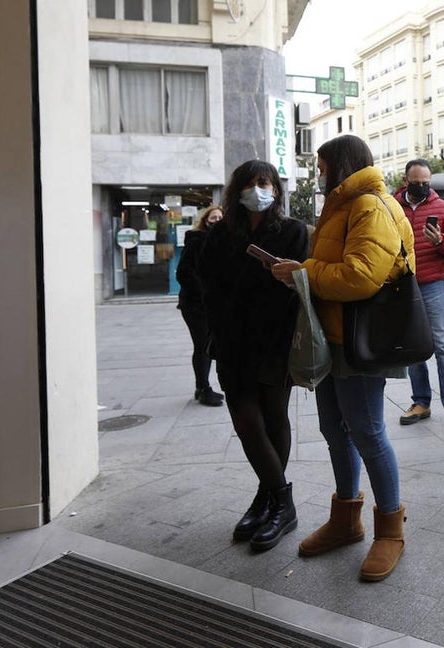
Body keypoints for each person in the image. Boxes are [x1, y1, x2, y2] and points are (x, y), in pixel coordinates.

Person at [270, 135, 410, 582]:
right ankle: (346, 520)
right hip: (332, 336)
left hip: (361, 340)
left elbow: (361, 276)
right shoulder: (342, 205)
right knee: (335, 429)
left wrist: (302, 273)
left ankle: (390, 530)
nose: (319, 172)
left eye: (323, 165)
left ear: (339, 165)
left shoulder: (370, 205)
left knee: (367, 432)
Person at [199, 160, 308, 552]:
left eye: (264, 183)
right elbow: (207, 286)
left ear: (276, 189)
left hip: (276, 342)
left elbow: (297, 286)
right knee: (246, 421)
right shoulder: (220, 235)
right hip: (232, 343)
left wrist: (282, 275)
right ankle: (280, 500)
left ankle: (268, 500)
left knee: (274, 417)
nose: (257, 190)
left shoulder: (294, 231)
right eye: (249, 183)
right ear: (236, 191)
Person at [392, 159, 444, 435]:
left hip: (432, 285)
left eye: (426, 183)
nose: (422, 187)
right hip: (402, 284)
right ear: (406, 181)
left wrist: (440, 241)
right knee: (413, 346)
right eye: (417, 183)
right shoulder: (392, 205)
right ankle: (421, 402)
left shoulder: (441, 206)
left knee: (443, 346)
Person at [175, 205, 224, 407]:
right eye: (214, 217)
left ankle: (201, 387)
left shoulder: (220, 242)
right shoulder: (196, 241)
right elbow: (184, 273)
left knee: (206, 345)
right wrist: (205, 293)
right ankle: (203, 389)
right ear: (205, 220)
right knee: (203, 347)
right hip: (195, 305)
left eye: (221, 217)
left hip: (210, 304)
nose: (217, 220)